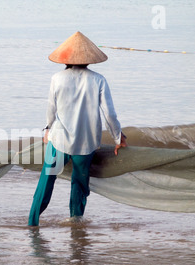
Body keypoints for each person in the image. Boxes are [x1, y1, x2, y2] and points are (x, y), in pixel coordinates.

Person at [28, 31, 127, 226]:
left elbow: (51, 110)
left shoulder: (57, 78)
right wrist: (118, 138)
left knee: (46, 181)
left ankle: (33, 222)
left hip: (59, 141)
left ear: (65, 59)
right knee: (80, 184)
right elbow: (110, 115)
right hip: (86, 142)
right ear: (89, 60)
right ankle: (75, 221)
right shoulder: (99, 80)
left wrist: (48, 130)